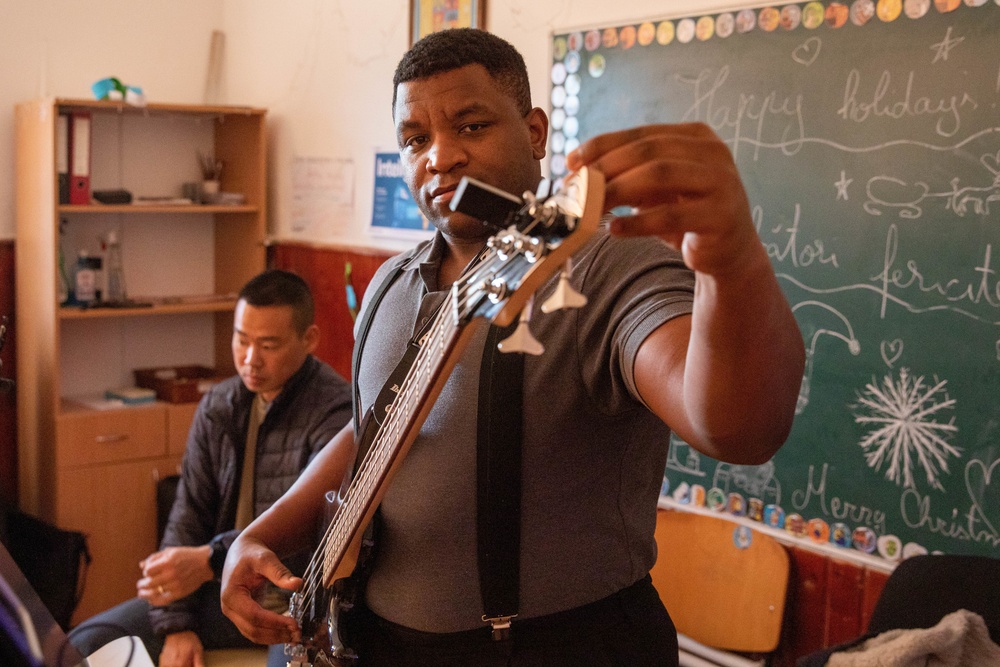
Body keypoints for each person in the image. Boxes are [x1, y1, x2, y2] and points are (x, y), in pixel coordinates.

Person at [220, 29, 806, 667]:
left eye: (470, 126)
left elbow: (738, 428)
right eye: (415, 139)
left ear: (533, 132)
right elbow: (373, 434)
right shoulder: (391, 283)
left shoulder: (605, 271)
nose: (439, 157)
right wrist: (260, 532)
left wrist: (731, 259)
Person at [70, 269, 353, 667]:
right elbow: (188, 517)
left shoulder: (337, 412)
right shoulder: (219, 404)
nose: (250, 359)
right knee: (87, 641)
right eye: (241, 340)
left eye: (268, 345)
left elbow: (315, 534)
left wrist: (210, 560)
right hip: (216, 591)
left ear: (309, 340)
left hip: (291, 602)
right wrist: (176, 624)